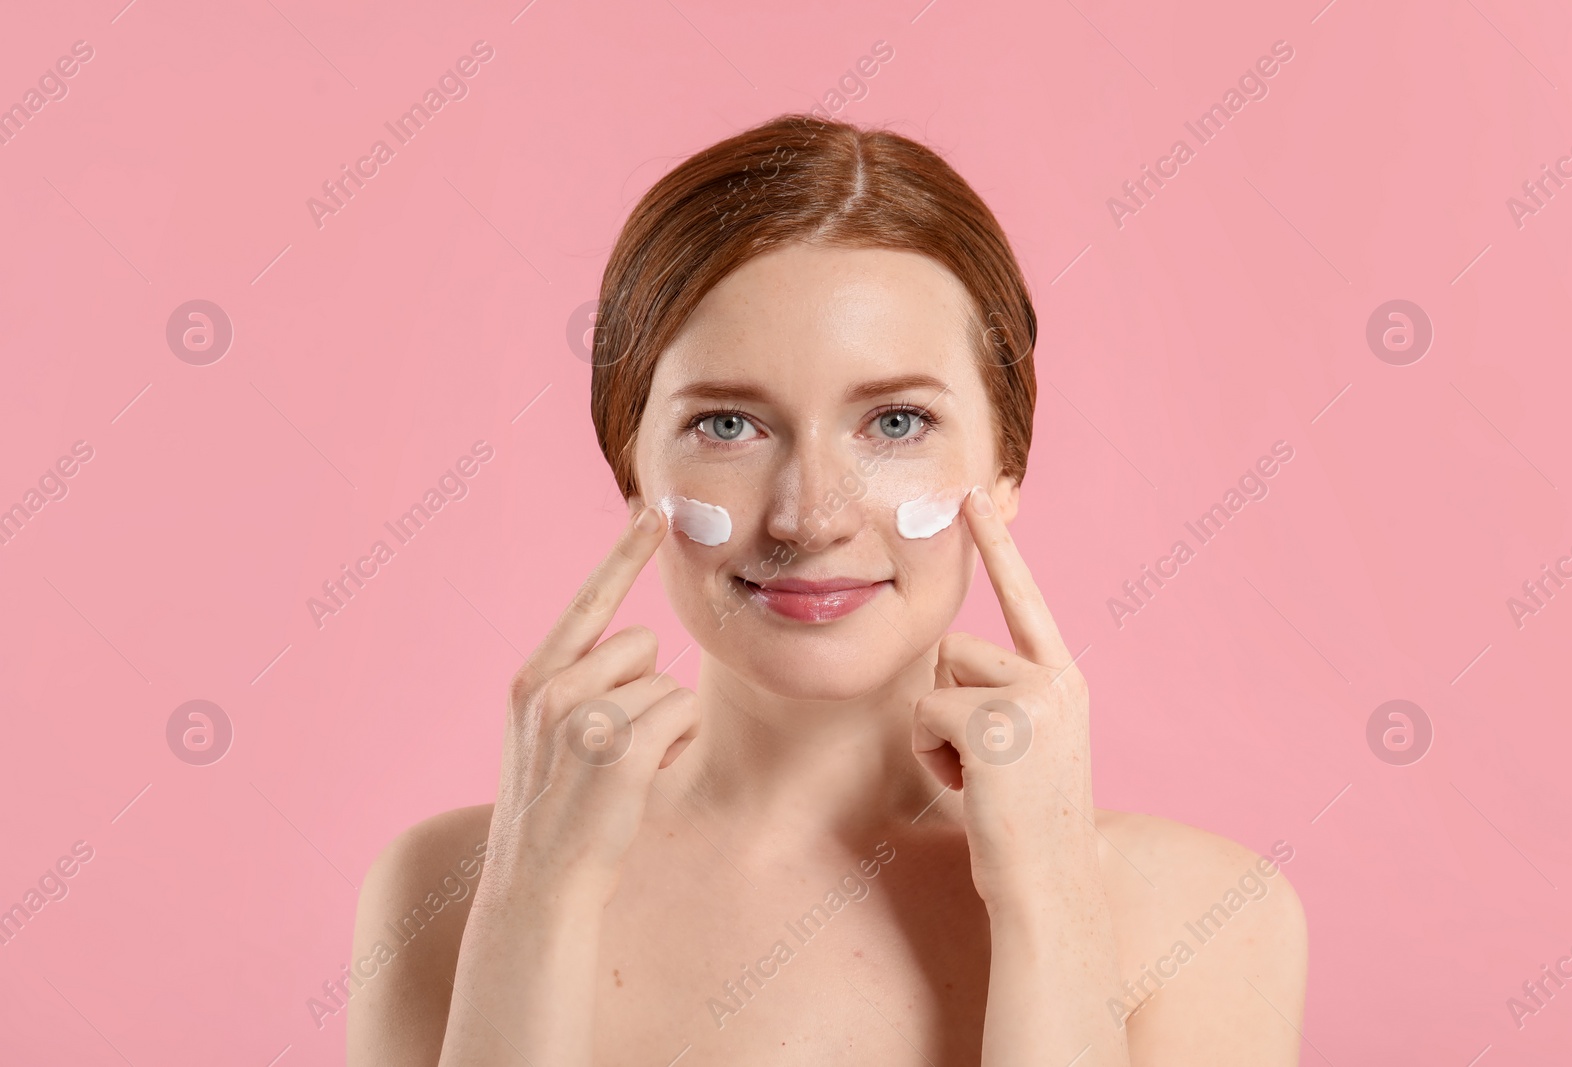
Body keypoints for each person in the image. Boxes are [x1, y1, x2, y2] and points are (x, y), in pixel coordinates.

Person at [348, 113, 1308, 1065]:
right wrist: (534, 896)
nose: (810, 517)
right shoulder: (447, 889)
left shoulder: (1207, 916)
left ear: (1006, 468)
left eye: (895, 423)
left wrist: (1052, 900)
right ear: (631, 469)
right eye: (728, 425)